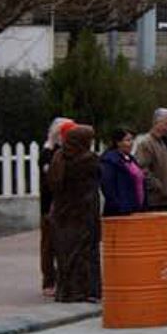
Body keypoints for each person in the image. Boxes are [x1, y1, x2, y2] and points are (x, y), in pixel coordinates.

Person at [48, 124, 101, 302]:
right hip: (82, 213)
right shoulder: (87, 160)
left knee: (66, 253)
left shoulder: (59, 157)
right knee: (83, 253)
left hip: (62, 212)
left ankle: (66, 291)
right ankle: (84, 290)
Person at [38, 116, 72, 296]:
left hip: (65, 205)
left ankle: (63, 278)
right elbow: (49, 179)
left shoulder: (67, 152)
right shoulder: (48, 152)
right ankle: (49, 280)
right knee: (49, 244)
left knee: (64, 243)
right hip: (50, 204)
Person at [133, 108, 167, 210]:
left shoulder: (165, 142)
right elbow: (142, 170)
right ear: (157, 123)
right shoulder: (146, 144)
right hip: (157, 202)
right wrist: (160, 188)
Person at [100, 128, 145, 217]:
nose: (131, 143)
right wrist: (118, 206)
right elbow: (108, 187)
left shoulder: (131, 159)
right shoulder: (110, 160)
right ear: (118, 142)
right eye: (127, 140)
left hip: (136, 208)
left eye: (132, 140)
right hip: (120, 211)